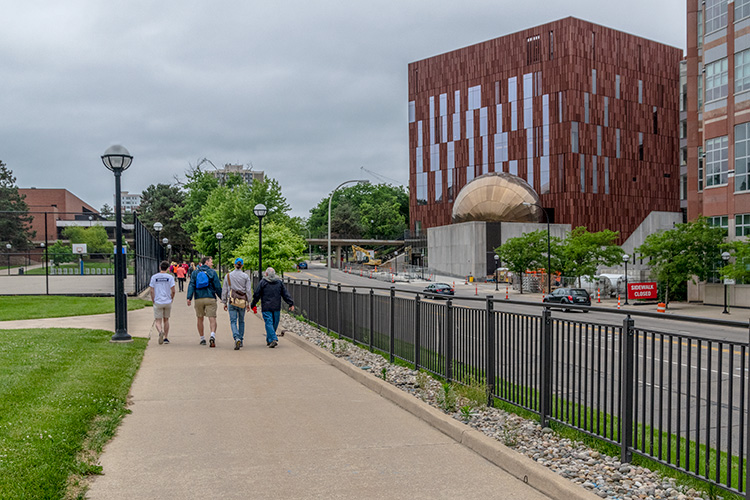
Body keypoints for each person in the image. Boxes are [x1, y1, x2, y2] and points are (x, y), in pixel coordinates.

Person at [251, 267, 294, 348]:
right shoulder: (279, 282)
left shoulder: (263, 282)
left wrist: (253, 304)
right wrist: (290, 303)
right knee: (274, 323)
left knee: (269, 323)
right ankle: (271, 339)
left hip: (266, 307)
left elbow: (257, 294)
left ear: (266, 274)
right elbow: (285, 294)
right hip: (276, 306)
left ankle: (272, 339)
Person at [186, 256, 222, 347]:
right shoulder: (212, 272)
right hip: (210, 297)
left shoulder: (195, 272)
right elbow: (217, 286)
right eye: (211, 261)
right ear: (206, 262)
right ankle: (212, 335)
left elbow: (191, 285)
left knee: (200, 318)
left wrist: (189, 297)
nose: (212, 263)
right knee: (212, 317)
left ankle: (202, 338)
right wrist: (222, 297)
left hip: (198, 298)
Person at [221, 258, 252, 350]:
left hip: (232, 301)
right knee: (241, 321)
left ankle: (236, 337)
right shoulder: (245, 276)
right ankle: (241, 339)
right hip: (242, 301)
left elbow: (225, 289)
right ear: (242, 265)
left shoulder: (228, 276)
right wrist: (248, 302)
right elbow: (248, 290)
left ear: (234, 265)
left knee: (233, 321)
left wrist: (224, 301)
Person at [149, 260, 176, 345]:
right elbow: (173, 290)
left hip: (158, 300)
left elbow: (151, 290)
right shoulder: (170, 277)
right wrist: (171, 298)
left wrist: (153, 299)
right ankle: (166, 337)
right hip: (167, 300)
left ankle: (160, 331)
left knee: (158, 320)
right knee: (166, 319)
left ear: (160, 267)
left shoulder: (154, 277)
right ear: (168, 268)